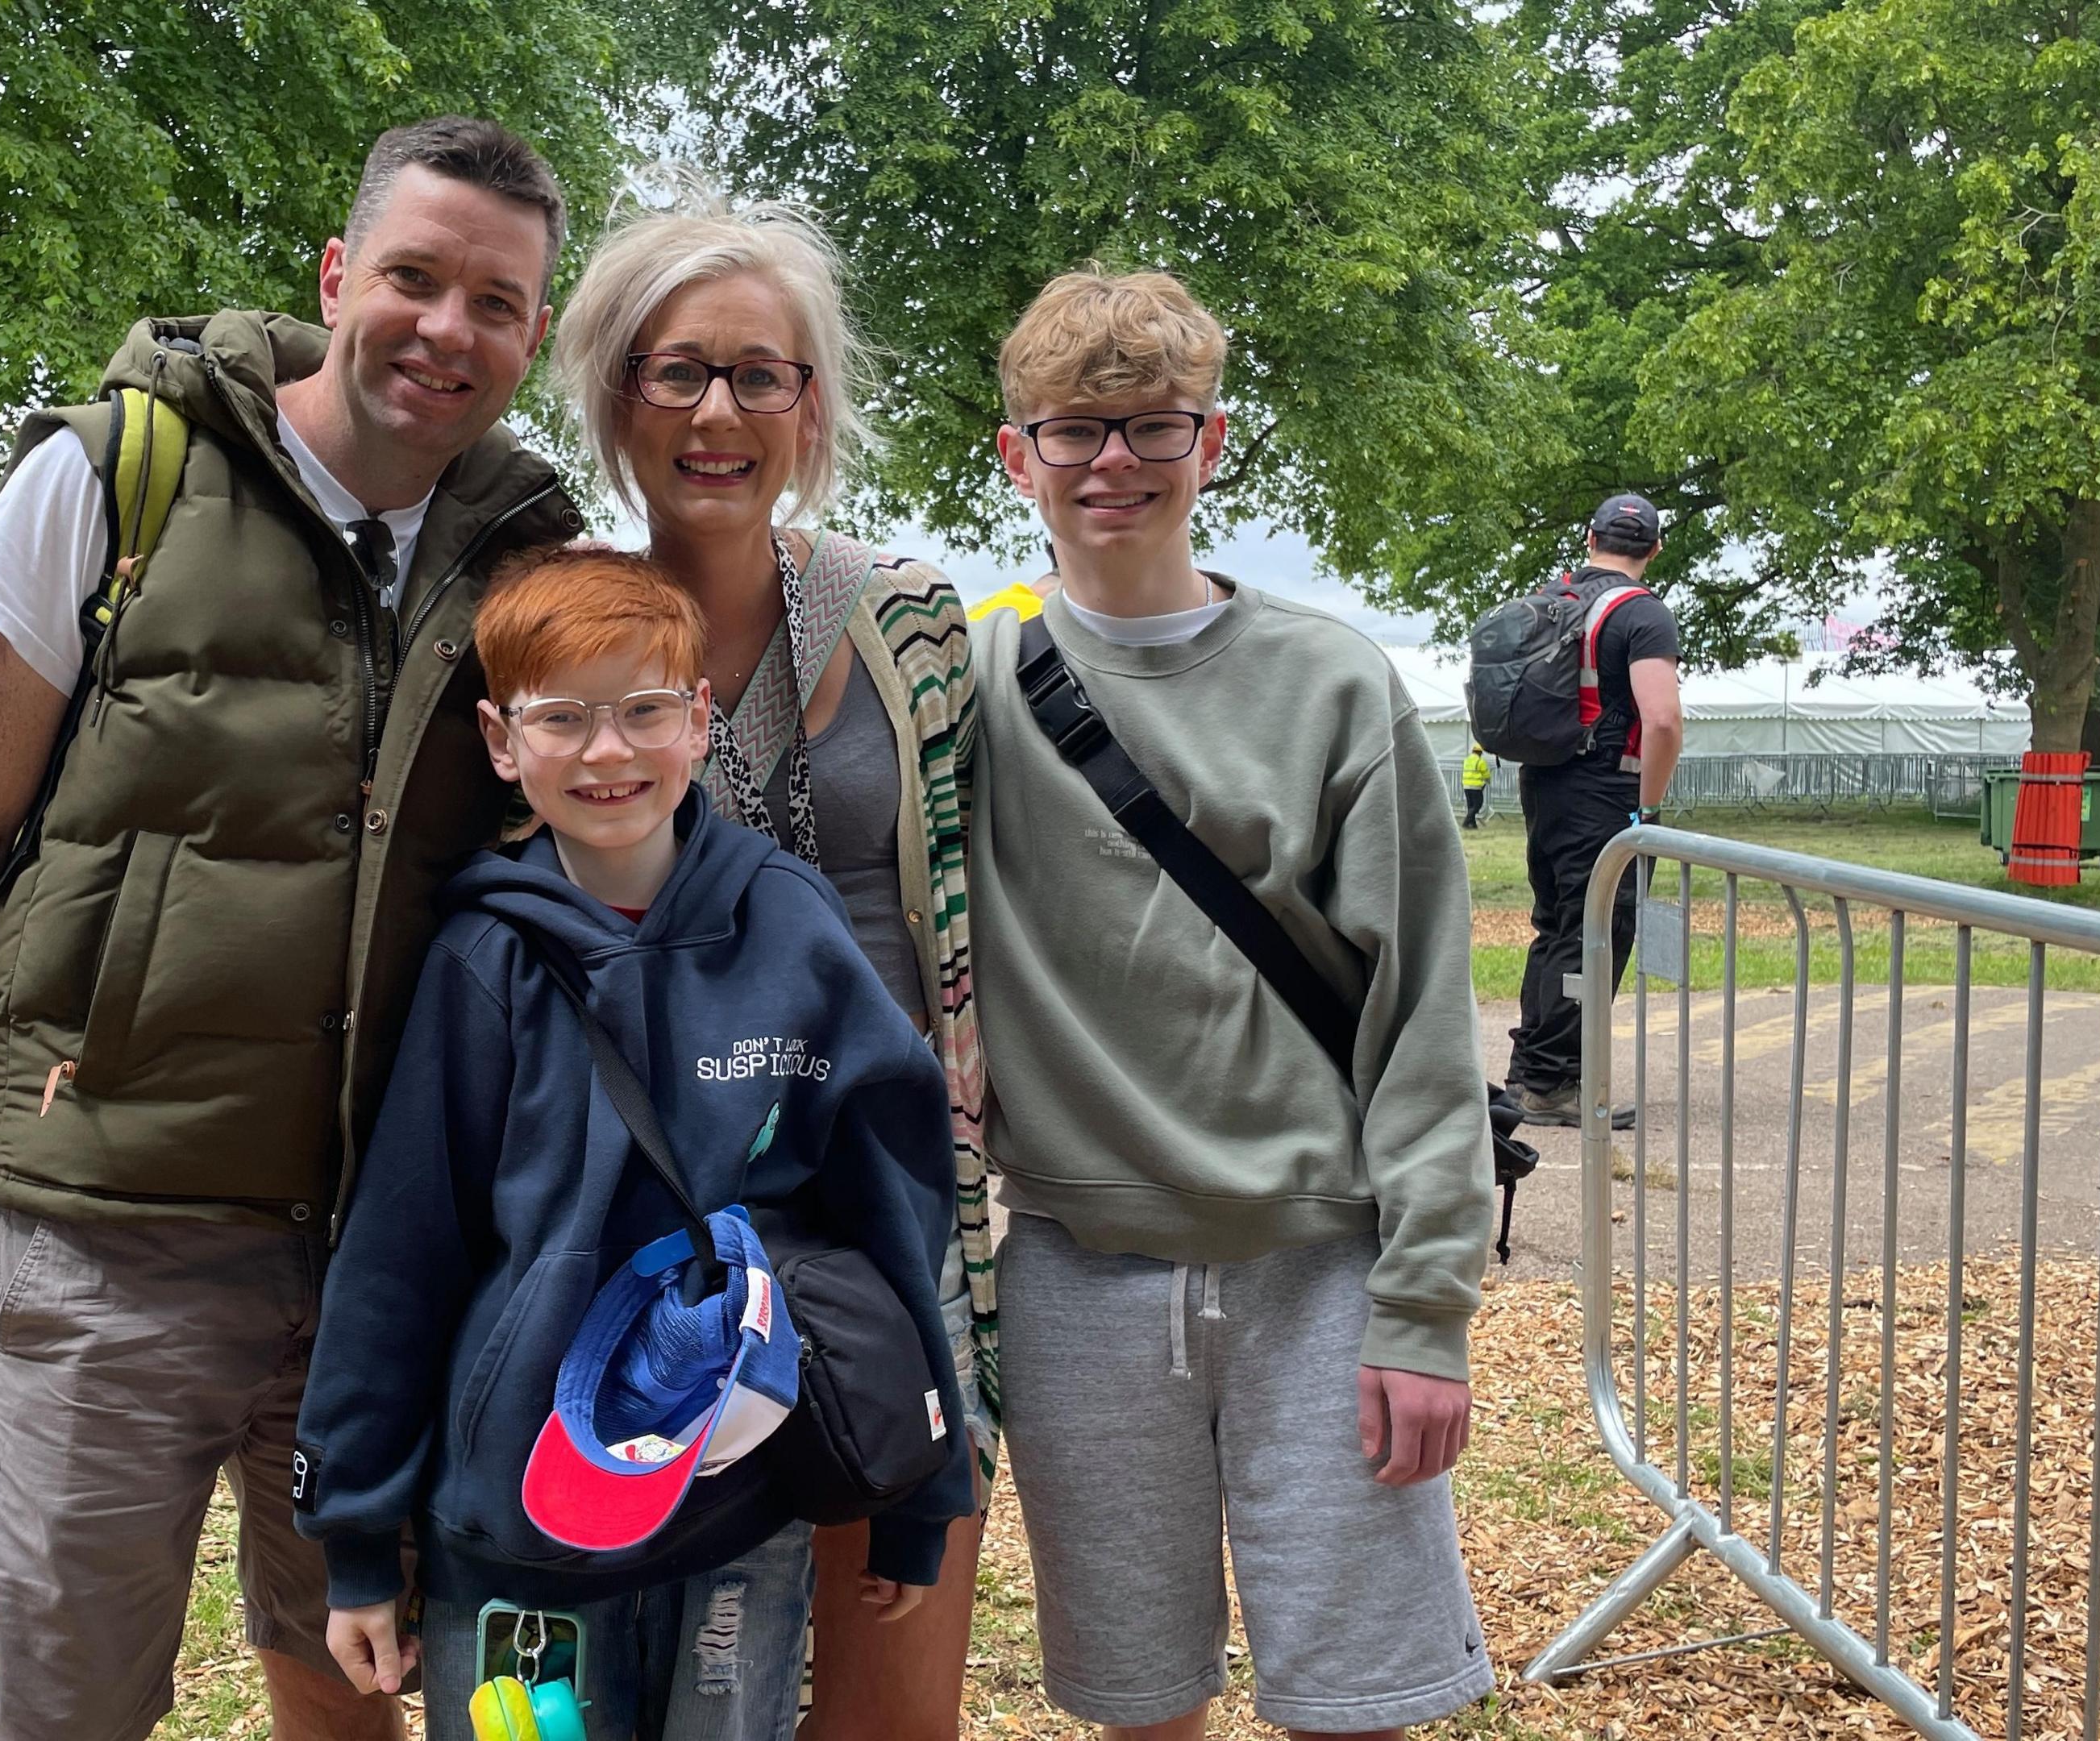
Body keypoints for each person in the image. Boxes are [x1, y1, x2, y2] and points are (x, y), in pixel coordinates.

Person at [0, 116, 584, 1741]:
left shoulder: (528, 552)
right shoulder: (114, 473)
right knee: (75, 1702)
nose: (449, 329)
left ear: (537, 330)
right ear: (338, 276)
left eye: (500, 302)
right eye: (415, 277)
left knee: (356, 1681)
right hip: (113, 1231)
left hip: (391, 1254)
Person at [298, 549, 971, 1741]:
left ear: (700, 721)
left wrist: (927, 1487)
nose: (609, 754)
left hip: (739, 1507)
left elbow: (892, 1212)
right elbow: (403, 1250)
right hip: (520, 1521)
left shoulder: (796, 929)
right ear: (505, 743)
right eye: (565, 720)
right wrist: (358, 1538)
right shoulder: (481, 962)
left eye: (646, 710)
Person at [966, 270, 1495, 1741]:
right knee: (1139, 1699)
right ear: (1019, 456)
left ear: (1215, 443)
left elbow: (1423, 1008)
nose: (1113, 463)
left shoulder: (1330, 682)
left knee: (1356, 1696)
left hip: (1318, 1265)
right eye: (1074, 431)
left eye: (1153, 427)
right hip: (1084, 1261)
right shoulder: (971, 692)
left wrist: (1427, 1309)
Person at [551, 186, 992, 1740]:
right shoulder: (564, 632)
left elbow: (978, 907)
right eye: (679, 371)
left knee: (891, 1664)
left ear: (813, 404)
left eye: (762, 373)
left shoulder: (908, 620)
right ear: (617, 392)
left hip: (880, 1202)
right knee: (664, 1681)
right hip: (651, 1213)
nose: (720, 410)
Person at [1503, 494, 1682, 1129]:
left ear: (1590, 539)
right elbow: (1660, 718)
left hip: (1544, 782)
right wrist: (1649, 808)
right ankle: (1551, 1081)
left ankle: (1532, 1074)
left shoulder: (1556, 600)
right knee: (1602, 930)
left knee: (1558, 925)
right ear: (1655, 548)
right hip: (1606, 791)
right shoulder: (1644, 615)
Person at [1460, 742, 1491, 829]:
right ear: (1480, 752)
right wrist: (1488, 781)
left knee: (1471, 806)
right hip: (1476, 787)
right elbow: (1486, 774)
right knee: (1477, 805)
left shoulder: (1467, 760)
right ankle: (1466, 823)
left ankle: (1473, 825)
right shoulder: (1480, 761)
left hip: (1466, 786)